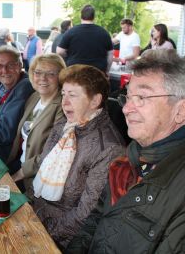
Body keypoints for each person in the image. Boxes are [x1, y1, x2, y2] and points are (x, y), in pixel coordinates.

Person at [66, 49, 185, 253]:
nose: (126, 108)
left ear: (182, 110)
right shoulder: (128, 159)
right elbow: (93, 223)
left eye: (141, 97)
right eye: (128, 96)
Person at [27, 64, 125, 250]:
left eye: (72, 95)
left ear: (95, 101)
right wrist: (24, 209)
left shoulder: (109, 149)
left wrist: (39, 231)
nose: (64, 102)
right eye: (63, 94)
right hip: (36, 217)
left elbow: (85, 215)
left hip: (62, 239)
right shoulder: (63, 127)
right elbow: (39, 172)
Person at [7, 54, 66, 189]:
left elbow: (51, 153)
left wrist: (17, 175)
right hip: (20, 162)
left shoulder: (63, 106)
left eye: (50, 74)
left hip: (37, 176)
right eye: (38, 72)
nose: (43, 78)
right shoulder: (34, 98)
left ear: (60, 77)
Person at [57, 5, 113, 74]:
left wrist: (69, 56)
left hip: (75, 72)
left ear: (81, 16)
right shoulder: (104, 33)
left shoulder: (70, 32)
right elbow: (110, 54)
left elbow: (59, 51)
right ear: (94, 17)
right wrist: (107, 71)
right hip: (97, 73)